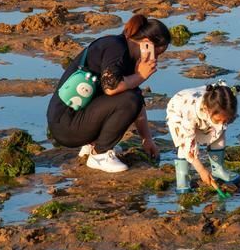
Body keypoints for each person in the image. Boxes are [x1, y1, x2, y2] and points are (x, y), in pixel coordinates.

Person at [46, 14, 170, 173]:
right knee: (129, 99)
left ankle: (91, 146)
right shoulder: (116, 48)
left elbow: (137, 102)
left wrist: (147, 139)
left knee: (132, 97)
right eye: (157, 53)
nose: (156, 59)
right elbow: (111, 88)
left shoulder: (126, 55)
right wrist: (140, 76)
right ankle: (99, 155)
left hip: (73, 119)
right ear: (146, 44)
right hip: (65, 125)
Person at [166, 82, 240, 193]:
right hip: (179, 110)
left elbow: (221, 120)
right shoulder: (189, 115)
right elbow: (188, 146)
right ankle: (183, 180)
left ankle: (218, 169)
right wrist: (201, 170)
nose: (221, 124)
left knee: (219, 134)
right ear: (206, 109)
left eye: (226, 121)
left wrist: (220, 122)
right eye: (218, 120)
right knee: (185, 144)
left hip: (201, 107)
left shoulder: (223, 100)